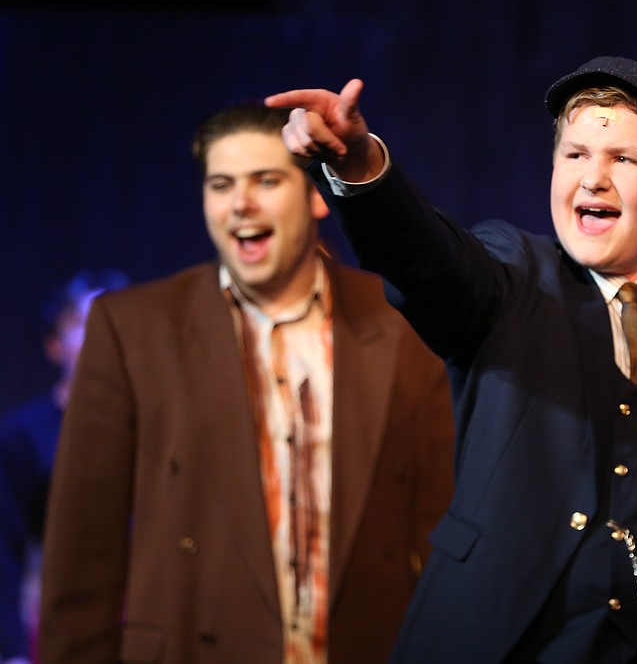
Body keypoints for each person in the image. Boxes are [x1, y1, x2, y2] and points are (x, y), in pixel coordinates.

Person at [264, 56, 637, 663]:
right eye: (575, 155)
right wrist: (359, 166)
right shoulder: (513, 279)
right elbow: (421, 256)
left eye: (622, 159)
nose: (592, 179)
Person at [38, 104, 455, 664]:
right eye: (221, 184)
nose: (240, 203)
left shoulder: (397, 322)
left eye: (266, 181)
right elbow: (82, 552)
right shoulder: (134, 328)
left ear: (315, 197)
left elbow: (441, 527)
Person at [0, 269, 129, 664]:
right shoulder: (24, 434)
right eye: (83, 324)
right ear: (54, 345)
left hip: (138, 620)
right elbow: (5, 547)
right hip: (55, 620)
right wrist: (11, 649)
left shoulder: (156, 427)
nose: (99, 336)